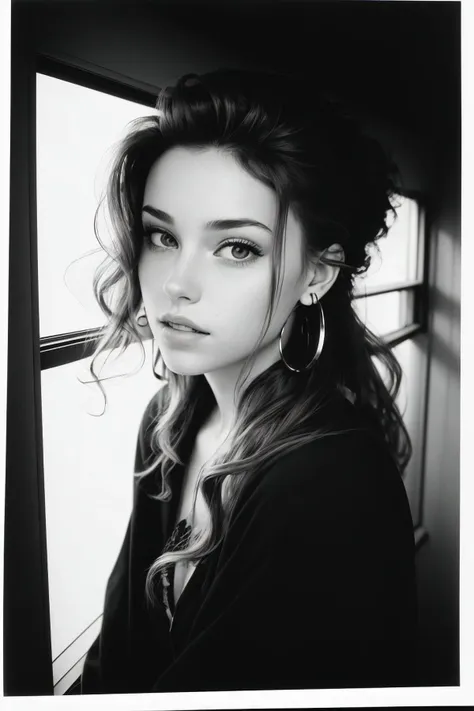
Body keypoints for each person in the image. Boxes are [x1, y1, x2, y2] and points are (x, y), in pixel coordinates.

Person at [75, 68, 417, 694]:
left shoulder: (332, 482)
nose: (178, 283)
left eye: (236, 248)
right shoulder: (167, 423)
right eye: (161, 235)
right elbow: (119, 654)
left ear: (317, 273)